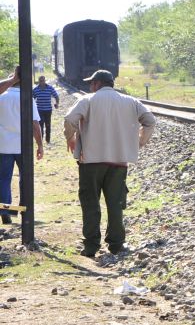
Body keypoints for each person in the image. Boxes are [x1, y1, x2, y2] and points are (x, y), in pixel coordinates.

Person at [64, 70, 156, 257]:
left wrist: (70, 138)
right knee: (115, 203)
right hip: (119, 161)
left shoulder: (88, 100)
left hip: (91, 161)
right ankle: (116, 244)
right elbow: (150, 121)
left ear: (98, 84)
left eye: (91, 83)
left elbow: (69, 119)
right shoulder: (131, 101)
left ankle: (91, 245)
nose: (90, 87)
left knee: (90, 203)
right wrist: (140, 141)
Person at [0, 67, 43, 224]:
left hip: (3, 145)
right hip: (23, 147)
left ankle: (4, 210)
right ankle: (24, 210)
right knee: (25, 178)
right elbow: (35, 125)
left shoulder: (2, 97)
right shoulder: (27, 98)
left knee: (4, 179)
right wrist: (40, 145)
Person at [32, 75, 59, 145]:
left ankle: (48, 140)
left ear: (45, 81)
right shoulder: (35, 90)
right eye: (40, 81)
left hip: (48, 110)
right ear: (39, 81)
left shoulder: (50, 88)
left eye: (43, 81)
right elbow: (32, 98)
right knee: (40, 125)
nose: (42, 82)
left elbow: (56, 96)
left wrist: (57, 103)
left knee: (48, 125)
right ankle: (40, 140)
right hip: (39, 110)